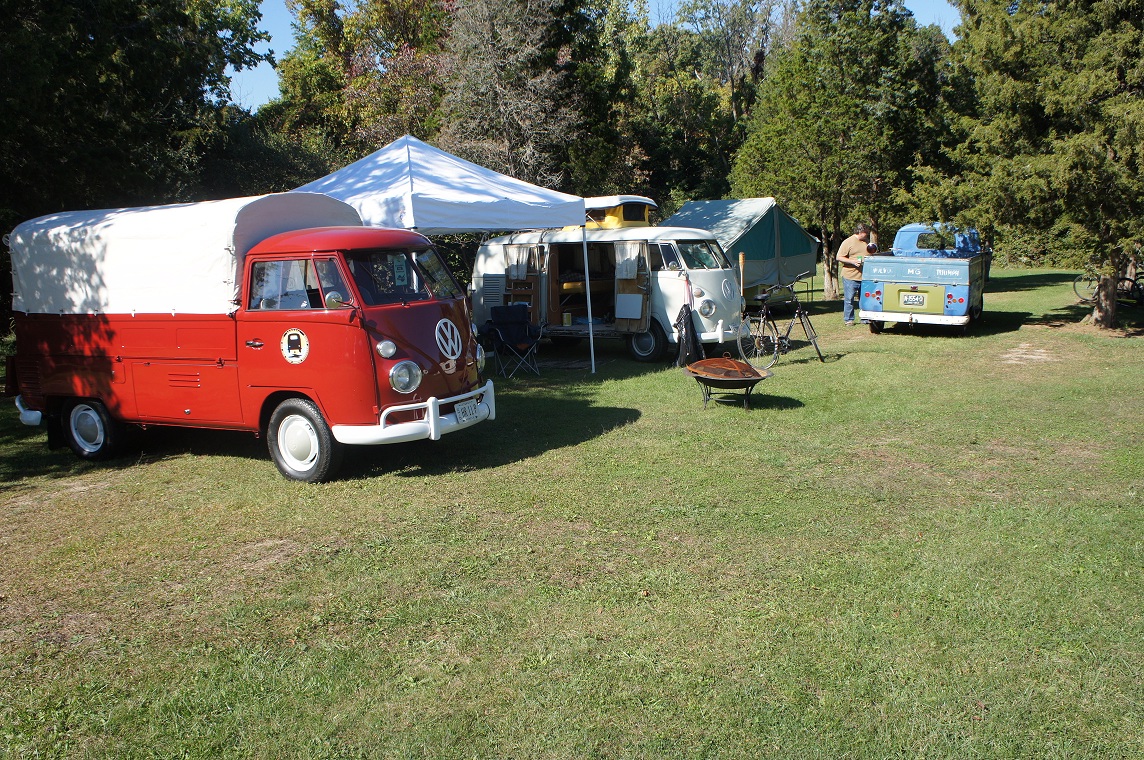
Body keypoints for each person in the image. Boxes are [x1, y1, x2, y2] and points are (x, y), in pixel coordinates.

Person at [836, 223, 871, 324]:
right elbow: (839, 257)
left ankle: (865, 318)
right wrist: (852, 261)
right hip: (850, 276)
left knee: (864, 298)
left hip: (864, 276)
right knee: (849, 299)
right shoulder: (848, 242)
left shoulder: (866, 241)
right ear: (860, 232)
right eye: (866, 233)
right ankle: (849, 319)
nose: (867, 235)